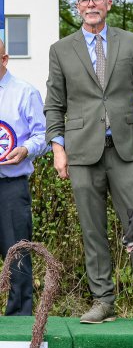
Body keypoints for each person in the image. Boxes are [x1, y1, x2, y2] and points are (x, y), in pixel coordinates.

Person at [44, 0, 133, 324]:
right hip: (82, 154)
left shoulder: (131, 42)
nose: (91, 4)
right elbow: (54, 105)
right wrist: (58, 149)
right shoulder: (61, 50)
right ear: (78, 6)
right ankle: (103, 301)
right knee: (93, 229)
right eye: (85, 0)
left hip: (126, 151)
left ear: (109, 3)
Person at [0, 39, 49, 315]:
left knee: (17, 258)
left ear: (4, 59)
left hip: (11, 187)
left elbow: (42, 135)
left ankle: (19, 325)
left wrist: (26, 149)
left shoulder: (25, 93)